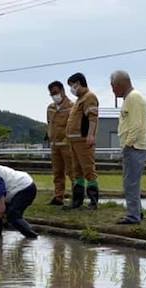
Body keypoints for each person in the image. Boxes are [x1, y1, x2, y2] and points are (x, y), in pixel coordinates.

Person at [112, 70, 146, 225]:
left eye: (113, 86)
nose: (113, 90)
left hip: (134, 147)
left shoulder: (133, 98)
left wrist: (128, 144)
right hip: (135, 146)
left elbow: (135, 124)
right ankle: (137, 212)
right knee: (133, 182)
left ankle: (133, 215)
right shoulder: (131, 98)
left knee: (130, 183)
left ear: (120, 84)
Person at [64, 72, 100, 211]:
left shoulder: (89, 97)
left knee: (88, 170)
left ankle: (93, 200)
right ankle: (77, 200)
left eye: (72, 86)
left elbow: (92, 118)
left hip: (83, 140)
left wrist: (90, 135)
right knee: (76, 171)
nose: (72, 89)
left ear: (78, 83)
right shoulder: (79, 100)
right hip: (73, 141)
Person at [46, 81, 75, 206]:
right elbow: (49, 123)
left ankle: (77, 196)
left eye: (56, 92)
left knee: (72, 171)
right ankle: (58, 196)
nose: (54, 95)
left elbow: (73, 125)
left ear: (62, 91)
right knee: (57, 172)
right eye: (52, 93)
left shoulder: (71, 107)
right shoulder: (50, 108)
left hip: (67, 145)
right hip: (54, 145)